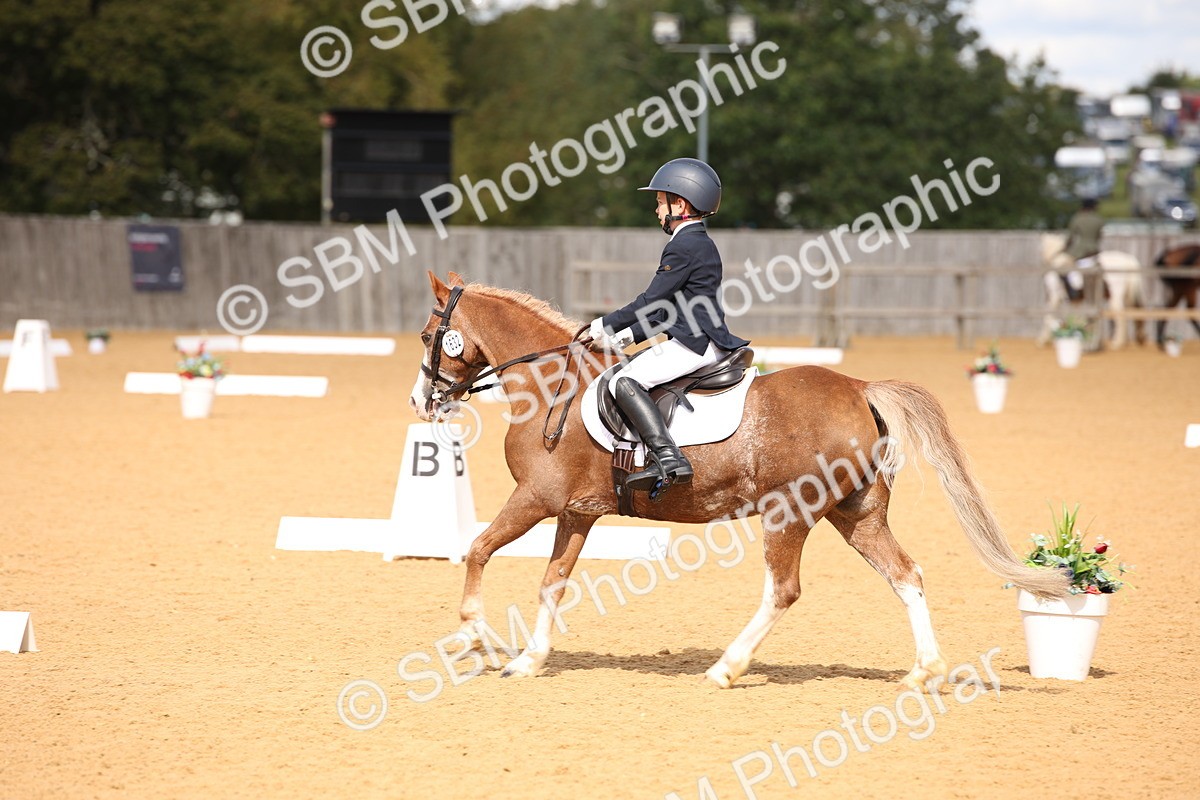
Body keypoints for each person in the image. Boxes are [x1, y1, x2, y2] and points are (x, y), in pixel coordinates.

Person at [589, 158, 750, 498]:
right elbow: (670, 309)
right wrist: (631, 335)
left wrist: (605, 323)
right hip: (698, 336)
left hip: (695, 343)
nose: (657, 209)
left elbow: (651, 298)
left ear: (681, 204)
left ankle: (667, 456)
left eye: (661, 201)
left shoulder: (684, 245)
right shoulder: (698, 242)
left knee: (624, 381)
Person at [1062, 197, 1105, 301]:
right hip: (1094, 251)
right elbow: (1099, 236)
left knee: (1064, 270)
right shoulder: (1099, 220)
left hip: (1079, 252)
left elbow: (1071, 237)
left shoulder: (1077, 218)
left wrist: (1065, 249)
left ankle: (1073, 294)